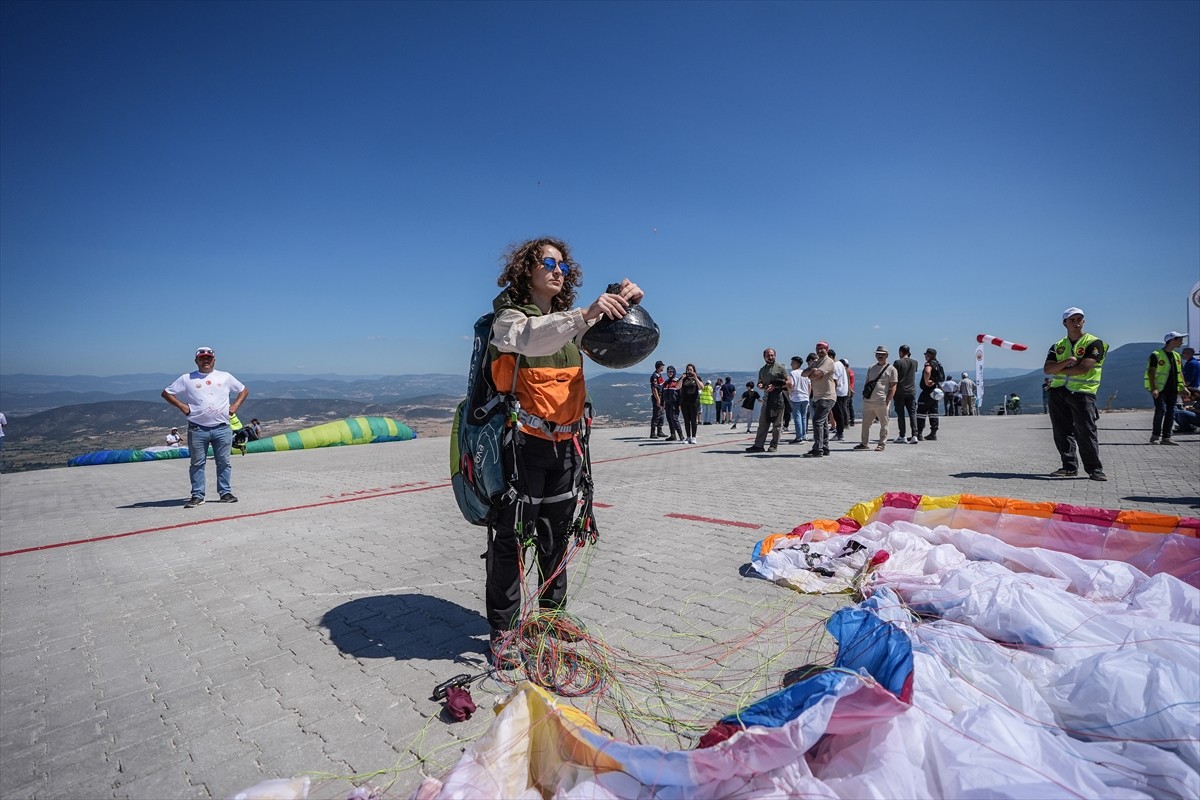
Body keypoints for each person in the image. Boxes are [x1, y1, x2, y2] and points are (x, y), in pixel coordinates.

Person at [483, 236, 643, 660]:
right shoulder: (509, 318)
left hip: (567, 447)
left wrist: (623, 300)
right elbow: (530, 338)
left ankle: (551, 616)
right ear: (526, 270)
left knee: (555, 536)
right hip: (522, 447)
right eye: (548, 263)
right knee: (511, 540)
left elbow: (616, 338)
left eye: (564, 266)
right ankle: (504, 629)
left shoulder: (573, 323)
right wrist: (585, 313)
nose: (558, 271)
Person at [162, 346, 249, 507]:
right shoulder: (187, 378)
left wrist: (235, 406)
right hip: (197, 428)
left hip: (222, 427)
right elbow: (167, 392)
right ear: (196, 361)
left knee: (224, 462)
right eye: (202, 358)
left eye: (209, 358)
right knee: (197, 463)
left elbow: (243, 390)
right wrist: (183, 407)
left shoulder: (225, 377)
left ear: (214, 360)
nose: (206, 360)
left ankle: (225, 493)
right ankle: (197, 495)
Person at [1044, 307, 1108, 481]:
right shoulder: (1058, 346)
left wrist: (1060, 369)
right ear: (1064, 323)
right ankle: (1069, 467)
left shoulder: (1094, 343)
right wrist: (1068, 361)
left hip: (1082, 393)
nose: (1076, 322)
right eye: (1072, 320)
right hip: (1058, 392)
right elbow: (1047, 369)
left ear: (1084, 321)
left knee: (1086, 431)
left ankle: (1094, 469)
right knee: (1061, 431)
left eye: (1079, 319)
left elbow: (1083, 368)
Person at [1146, 331, 1187, 445]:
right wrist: (1154, 388)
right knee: (1161, 410)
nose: (1182, 342)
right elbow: (1151, 372)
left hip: (1173, 388)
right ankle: (1155, 436)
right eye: (1180, 339)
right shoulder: (1156, 354)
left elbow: (1180, 372)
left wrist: (1184, 387)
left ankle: (1167, 437)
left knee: (1171, 412)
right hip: (1160, 389)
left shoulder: (1176, 355)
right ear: (1172, 340)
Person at [854, 346, 898, 451]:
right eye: (878, 354)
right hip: (869, 400)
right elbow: (867, 382)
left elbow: (894, 386)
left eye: (882, 354)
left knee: (884, 423)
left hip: (882, 401)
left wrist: (888, 399)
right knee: (866, 424)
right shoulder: (871, 368)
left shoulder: (892, 369)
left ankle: (881, 443)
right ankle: (864, 443)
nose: (880, 356)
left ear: (887, 355)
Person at [745, 348, 787, 453]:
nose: (770, 357)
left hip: (778, 399)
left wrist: (775, 386)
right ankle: (759, 445)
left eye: (772, 355)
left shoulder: (780, 368)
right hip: (767, 399)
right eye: (768, 355)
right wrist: (760, 385)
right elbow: (760, 382)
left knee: (777, 425)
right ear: (764, 357)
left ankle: (774, 445)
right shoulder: (762, 370)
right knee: (763, 423)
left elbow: (789, 382)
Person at [802, 343, 837, 458]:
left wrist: (812, 373)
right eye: (818, 349)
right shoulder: (816, 362)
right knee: (823, 424)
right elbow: (803, 374)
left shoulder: (829, 362)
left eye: (822, 349)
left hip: (827, 396)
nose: (820, 350)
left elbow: (815, 375)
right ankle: (825, 447)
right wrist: (813, 369)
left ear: (827, 350)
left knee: (817, 421)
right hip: (818, 397)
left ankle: (818, 449)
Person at [892, 345, 919, 443]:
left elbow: (894, 376)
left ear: (901, 352)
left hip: (900, 391)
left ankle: (902, 435)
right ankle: (914, 435)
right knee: (912, 413)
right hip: (911, 391)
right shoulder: (915, 362)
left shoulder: (897, 363)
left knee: (901, 414)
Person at [916, 348, 942, 441]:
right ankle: (933, 433)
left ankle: (919, 434)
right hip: (935, 391)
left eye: (926, 355)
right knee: (933, 412)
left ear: (929, 355)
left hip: (927, 391)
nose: (925, 356)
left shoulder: (929, 363)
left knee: (921, 412)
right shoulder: (938, 364)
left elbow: (927, 371)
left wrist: (927, 382)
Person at [786, 356, 810, 444]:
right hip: (805, 397)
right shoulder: (805, 373)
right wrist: (808, 395)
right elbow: (809, 385)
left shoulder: (792, 373)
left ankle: (799, 437)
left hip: (796, 397)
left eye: (792, 363)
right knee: (803, 417)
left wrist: (790, 394)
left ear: (796, 363)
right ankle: (804, 435)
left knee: (797, 417)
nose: (791, 364)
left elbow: (790, 384)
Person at [679, 364, 703, 444]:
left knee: (693, 420)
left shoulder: (697, 378)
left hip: (694, 402)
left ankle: (694, 437)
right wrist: (682, 378)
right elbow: (677, 387)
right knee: (686, 420)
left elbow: (701, 387)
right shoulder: (684, 378)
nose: (689, 371)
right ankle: (688, 437)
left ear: (694, 370)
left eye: (690, 369)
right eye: (688, 369)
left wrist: (695, 378)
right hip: (684, 402)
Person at [828, 349, 849, 441]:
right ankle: (841, 429)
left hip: (837, 392)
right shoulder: (840, 364)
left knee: (837, 413)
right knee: (841, 411)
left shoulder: (834, 366)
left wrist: (832, 391)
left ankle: (839, 432)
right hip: (843, 391)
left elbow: (835, 380)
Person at [661, 365, 684, 442]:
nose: (670, 373)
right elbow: (662, 394)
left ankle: (681, 435)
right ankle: (673, 435)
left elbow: (681, 395)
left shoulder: (677, 382)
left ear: (674, 372)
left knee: (674, 419)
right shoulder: (666, 382)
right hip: (667, 403)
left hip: (675, 404)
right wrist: (661, 404)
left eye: (671, 372)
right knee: (669, 419)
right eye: (668, 372)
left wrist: (680, 404)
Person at [649, 360, 665, 439]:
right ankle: (652, 433)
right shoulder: (654, 376)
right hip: (657, 397)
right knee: (656, 414)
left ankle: (660, 431)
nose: (663, 367)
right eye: (662, 366)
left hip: (662, 396)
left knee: (661, 414)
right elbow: (654, 389)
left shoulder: (660, 375)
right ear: (659, 366)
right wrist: (658, 399)